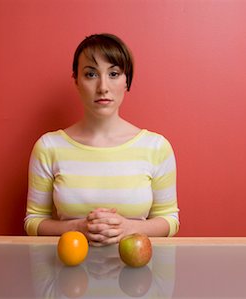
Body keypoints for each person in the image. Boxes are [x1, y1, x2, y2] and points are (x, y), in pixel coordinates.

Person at [24, 33, 179, 246]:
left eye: (114, 73)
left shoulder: (156, 147)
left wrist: (130, 228)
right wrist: (77, 228)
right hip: (67, 272)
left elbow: (170, 219)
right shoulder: (49, 147)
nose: (103, 87)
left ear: (127, 81)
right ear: (76, 81)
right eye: (91, 74)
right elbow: (34, 221)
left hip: (139, 273)